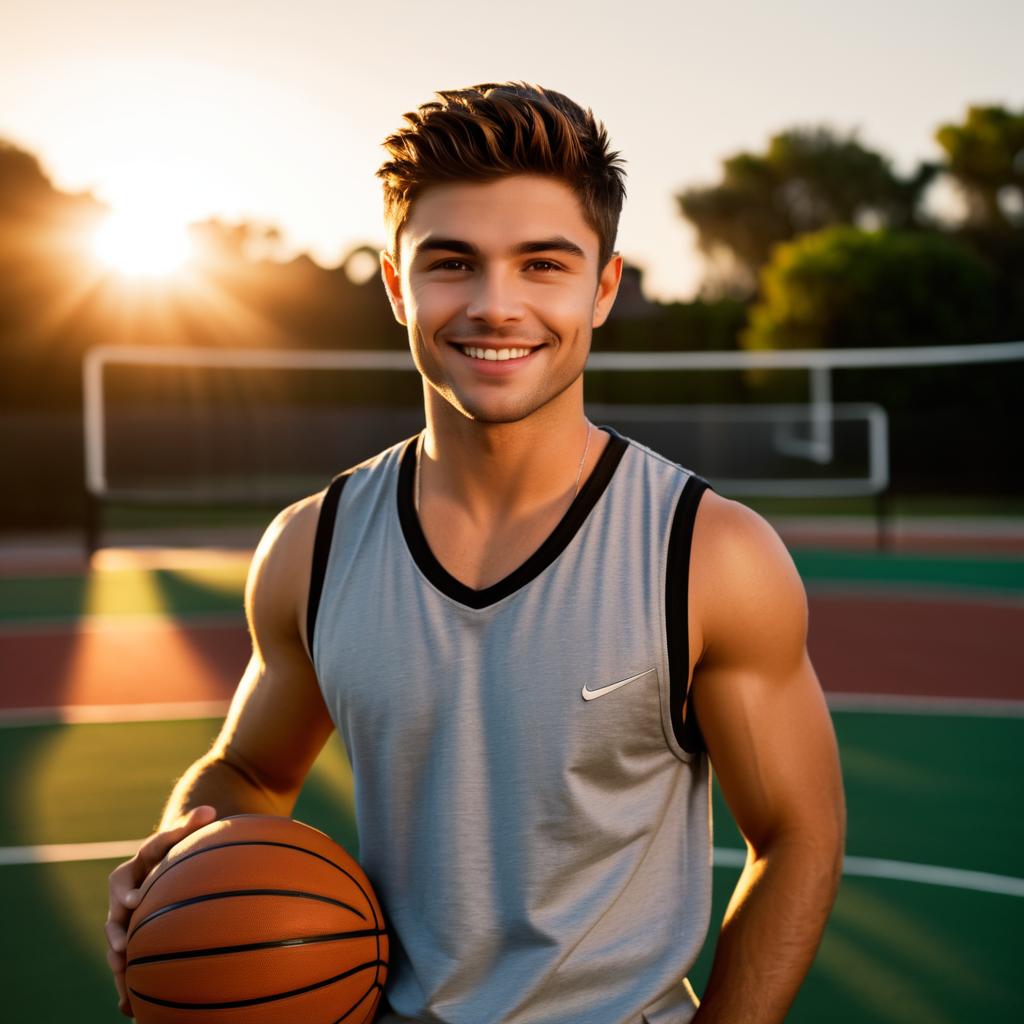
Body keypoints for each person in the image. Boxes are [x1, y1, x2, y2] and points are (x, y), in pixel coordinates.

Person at [105, 82, 845, 1024]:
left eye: (544, 265)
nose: (498, 307)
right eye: (453, 263)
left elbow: (797, 832)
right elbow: (249, 773)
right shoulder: (312, 546)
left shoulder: (707, 553)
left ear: (603, 287)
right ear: (395, 284)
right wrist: (182, 865)